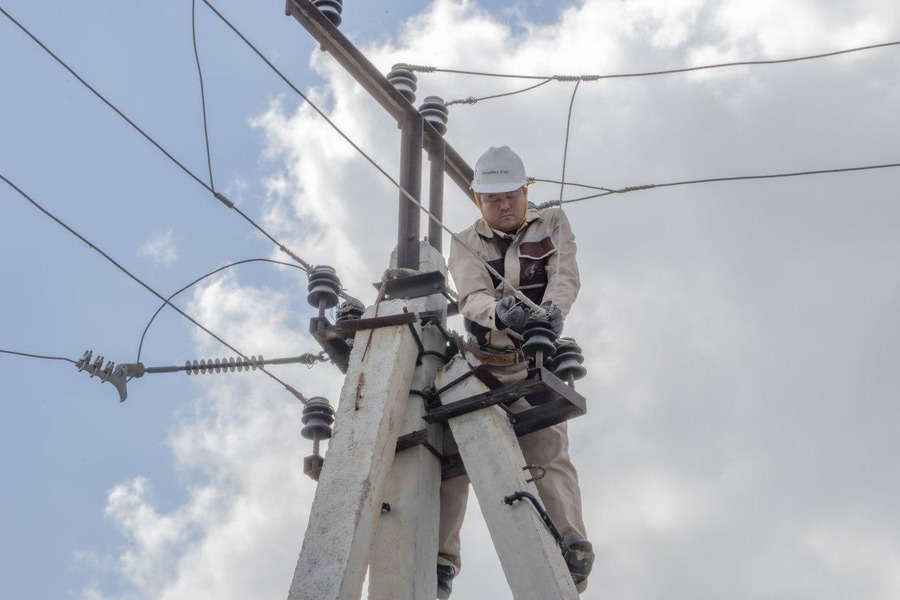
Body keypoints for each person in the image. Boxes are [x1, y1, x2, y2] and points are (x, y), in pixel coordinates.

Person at [437, 146, 594, 598]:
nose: (504, 206)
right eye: (492, 199)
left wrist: (550, 316)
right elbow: (470, 297)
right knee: (455, 456)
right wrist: (502, 314)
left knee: (546, 449)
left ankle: (571, 546)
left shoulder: (553, 223)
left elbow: (565, 276)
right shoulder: (466, 240)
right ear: (478, 200)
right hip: (483, 361)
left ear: (526, 191)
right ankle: (440, 563)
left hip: (534, 360)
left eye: (511, 196)